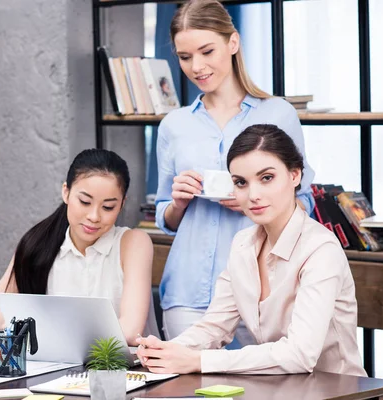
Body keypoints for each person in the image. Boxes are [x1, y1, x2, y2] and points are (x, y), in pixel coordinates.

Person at [137, 124, 365, 376]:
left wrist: (199, 361)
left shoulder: (321, 250)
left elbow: (299, 355)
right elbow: (215, 327)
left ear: (295, 175)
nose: (253, 194)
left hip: (339, 392)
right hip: (281, 390)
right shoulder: (243, 245)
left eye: (266, 178)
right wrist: (165, 351)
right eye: (241, 183)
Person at [155, 0, 316, 342]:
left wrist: (250, 199)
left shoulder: (277, 114)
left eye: (206, 51)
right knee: (190, 395)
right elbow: (165, 218)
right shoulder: (174, 125)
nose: (196, 66)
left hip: (262, 289)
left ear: (233, 42)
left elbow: (304, 205)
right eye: (185, 57)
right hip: (188, 293)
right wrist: (179, 202)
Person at [0, 149, 154, 345]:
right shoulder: (39, 242)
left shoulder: (133, 243)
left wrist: (50, 331)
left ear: (122, 204)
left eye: (108, 207)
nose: (94, 216)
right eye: (84, 202)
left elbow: (130, 331)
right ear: (66, 192)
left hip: (124, 371)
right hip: (57, 368)